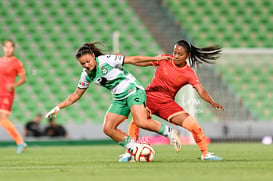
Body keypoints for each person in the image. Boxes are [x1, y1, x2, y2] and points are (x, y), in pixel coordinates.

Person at [45, 42, 182, 162]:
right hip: (119, 98)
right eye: (83, 63)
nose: (87, 65)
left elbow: (133, 59)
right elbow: (75, 95)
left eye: (88, 61)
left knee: (141, 121)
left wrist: (155, 58)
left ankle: (170, 133)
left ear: (93, 55)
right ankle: (134, 149)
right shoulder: (86, 75)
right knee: (108, 128)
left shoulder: (106, 60)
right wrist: (58, 107)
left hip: (133, 90)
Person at [120, 40, 224, 161]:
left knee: (193, 125)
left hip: (167, 103)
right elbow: (144, 62)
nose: (176, 56)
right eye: (174, 53)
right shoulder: (165, 59)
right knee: (136, 120)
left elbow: (201, 90)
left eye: (180, 54)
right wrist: (124, 60)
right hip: (149, 97)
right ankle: (129, 152)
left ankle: (205, 154)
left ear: (188, 56)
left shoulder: (189, 73)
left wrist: (212, 102)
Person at [0, 40, 27, 154]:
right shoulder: (0, 61)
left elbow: (23, 79)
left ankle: (20, 142)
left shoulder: (16, 63)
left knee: (3, 119)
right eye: (6, 47)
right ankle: (20, 142)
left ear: (14, 49)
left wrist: (13, 85)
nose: (8, 49)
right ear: (3, 48)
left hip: (7, 93)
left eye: (10, 47)